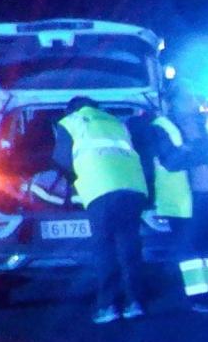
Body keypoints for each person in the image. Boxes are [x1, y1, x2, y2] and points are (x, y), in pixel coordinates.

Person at [55, 97, 149, 323]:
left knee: (104, 248)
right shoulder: (116, 122)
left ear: (71, 109)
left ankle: (108, 306)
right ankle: (135, 302)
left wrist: (73, 183)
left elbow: (61, 159)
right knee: (129, 246)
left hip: (100, 189)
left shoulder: (70, 122)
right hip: (133, 188)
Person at [144, 90, 208, 311]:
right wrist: (199, 149)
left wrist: (194, 149)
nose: (194, 102)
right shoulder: (162, 127)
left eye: (195, 97)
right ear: (173, 103)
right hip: (182, 201)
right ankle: (199, 298)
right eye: (187, 98)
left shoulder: (206, 123)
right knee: (191, 251)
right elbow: (171, 162)